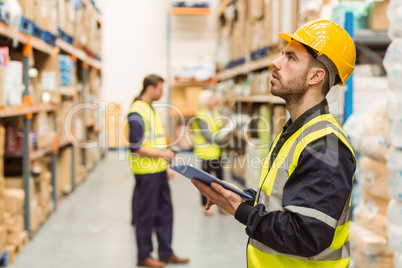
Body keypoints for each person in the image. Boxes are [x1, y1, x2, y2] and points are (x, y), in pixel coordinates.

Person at [192, 19, 356, 267]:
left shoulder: (324, 146)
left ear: (315, 76)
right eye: (281, 55)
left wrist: (240, 210)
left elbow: (307, 235)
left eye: (290, 58)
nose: (275, 63)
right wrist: (240, 197)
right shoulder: (294, 132)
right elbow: (284, 203)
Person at [127, 74, 189, 267]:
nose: (162, 93)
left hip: (158, 170)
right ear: (150, 88)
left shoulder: (149, 110)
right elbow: (136, 147)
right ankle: (143, 256)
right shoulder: (137, 112)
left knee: (165, 212)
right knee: (146, 215)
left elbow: (156, 142)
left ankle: (165, 252)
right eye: (160, 89)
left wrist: (165, 166)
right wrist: (163, 157)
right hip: (146, 174)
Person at [192, 90, 229, 216]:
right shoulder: (201, 116)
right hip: (206, 154)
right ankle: (205, 207)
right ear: (206, 101)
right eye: (212, 98)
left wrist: (226, 132)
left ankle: (221, 206)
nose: (215, 100)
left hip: (217, 152)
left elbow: (218, 129)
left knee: (220, 181)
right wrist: (221, 139)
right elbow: (208, 136)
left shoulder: (215, 113)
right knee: (205, 183)